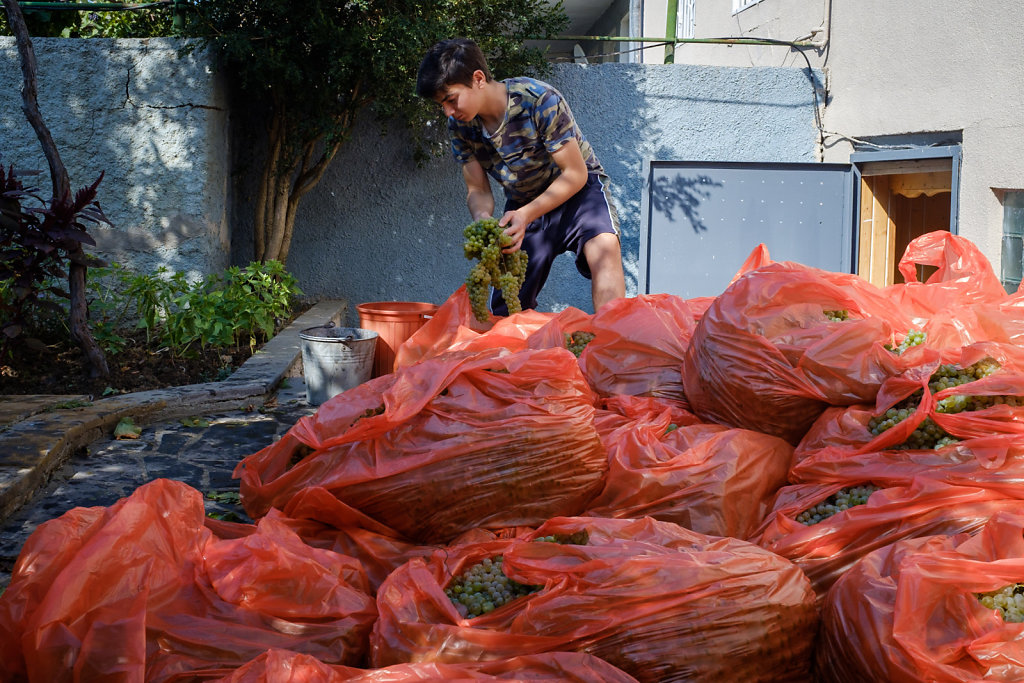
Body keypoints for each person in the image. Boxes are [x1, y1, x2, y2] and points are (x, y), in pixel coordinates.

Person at [416, 38, 626, 315]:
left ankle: (612, 346)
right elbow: (477, 189)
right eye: (441, 105)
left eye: (451, 100)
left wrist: (526, 215)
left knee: (604, 249)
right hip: (523, 200)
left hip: (579, 191)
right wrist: (483, 222)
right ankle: (507, 355)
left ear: (478, 78)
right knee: (506, 299)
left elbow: (576, 174)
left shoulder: (539, 99)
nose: (448, 112)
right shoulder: (459, 127)